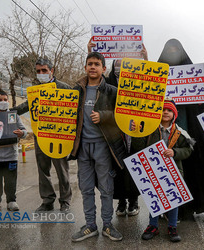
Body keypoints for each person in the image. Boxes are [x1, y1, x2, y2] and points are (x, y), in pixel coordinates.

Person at [158, 38, 204, 220]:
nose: (172, 54)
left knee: (188, 172)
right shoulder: (156, 76)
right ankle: (165, 209)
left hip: (187, 133)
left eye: (175, 51)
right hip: (161, 133)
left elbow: (203, 110)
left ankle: (187, 208)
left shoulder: (191, 77)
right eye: (168, 51)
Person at [88, 38, 148, 216]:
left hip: (135, 131)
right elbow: (94, 75)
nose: (120, 68)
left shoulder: (137, 81)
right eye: (117, 65)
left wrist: (145, 59)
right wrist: (89, 51)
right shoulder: (108, 85)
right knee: (117, 167)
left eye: (125, 64)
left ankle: (133, 201)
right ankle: (121, 201)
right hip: (114, 132)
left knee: (134, 166)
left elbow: (151, 80)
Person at [70, 52, 126, 242]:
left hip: (104, 146)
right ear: (85, 67)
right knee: (85, 189)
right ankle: (90, 225)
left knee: (106, 189)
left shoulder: (112, 91)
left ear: (103, 68)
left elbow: (122, 115)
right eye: (89, 64)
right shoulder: (76, 91)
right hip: (83, 147)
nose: (92, 67)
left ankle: (108, 225)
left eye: (96, 64)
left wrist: (104, 116)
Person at [12, 57, 72, 212]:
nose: (41, 73)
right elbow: (27, 106)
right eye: (38, 71)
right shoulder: (35, 90)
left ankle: (65, 201)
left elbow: (73, 112)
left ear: (52, 70)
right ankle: (47, 201)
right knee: (43, 169)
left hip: (59, 136)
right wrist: (8, 112)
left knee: (62, 170)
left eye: (44, 70)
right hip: (41, 135)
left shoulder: (65, 88)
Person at [131, 98, 194, 242]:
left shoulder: (180, 132)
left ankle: (172, 226)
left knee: (173, 199)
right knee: (155, 198)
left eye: (169, 110)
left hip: (174, 171)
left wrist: (175, 152)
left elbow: (188, 150)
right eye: (163, 110)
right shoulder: (149, 129)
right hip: (153, 170)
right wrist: (136, 133)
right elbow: (139, 147)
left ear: (174, 114)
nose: (166, 112)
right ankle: (153, 226)